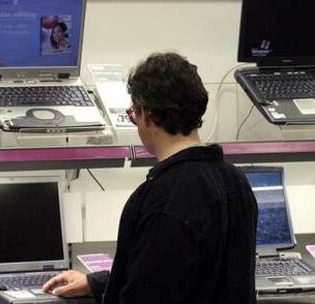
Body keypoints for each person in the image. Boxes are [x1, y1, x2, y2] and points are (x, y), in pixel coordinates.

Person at [43, 52, 258, 304]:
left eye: (134, 113)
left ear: (147, 115)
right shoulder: (236, 181)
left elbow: (148, 294)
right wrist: (98, 282)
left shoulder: (162, 199)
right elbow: (195, 276)